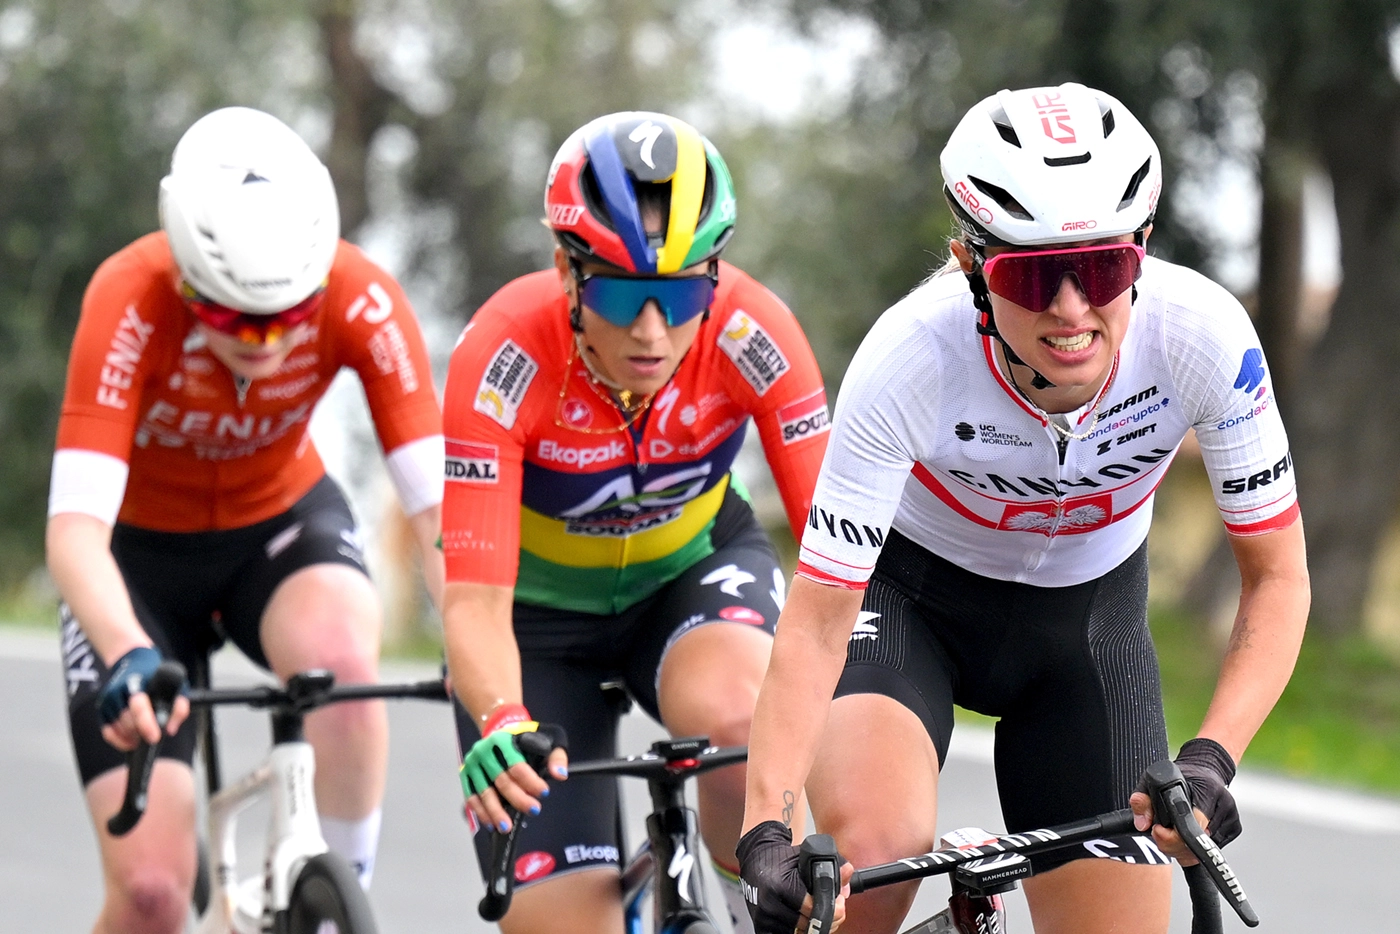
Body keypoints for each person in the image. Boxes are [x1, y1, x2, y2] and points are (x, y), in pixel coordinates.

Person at [736, 83, 1310, 934]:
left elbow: (1278, 578)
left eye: (1105, 268)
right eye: (1034, 275)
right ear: (972, 265)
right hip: (911, 608)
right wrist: (765, 833)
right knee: (871, 860)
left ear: (1143, 250)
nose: (1071, 308)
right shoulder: (909, 358)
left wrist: (1211, 757)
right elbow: (819, 622)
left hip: (1088, 627)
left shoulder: (1202, 337)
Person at [47, 106, 445, 934]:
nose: (264, 344)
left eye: (290, 316)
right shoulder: (129, 296)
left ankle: (338, 898)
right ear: (185, 278)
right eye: (232, 317)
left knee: (345, 669)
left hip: (278, 530)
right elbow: (75, 532)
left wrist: (483, 648)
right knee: (154, 894)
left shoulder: (361, 294)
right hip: (135, 566)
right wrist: (125, 651)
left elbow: (441, 512)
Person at [440, 110, 830, 934]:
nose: (652, 331)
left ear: (714, 277)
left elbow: (838, 554)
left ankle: (756, 911)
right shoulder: (505, 356)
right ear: (567, 272)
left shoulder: (755, 333)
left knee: (738, 719)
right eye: (620, 293)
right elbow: (472, 600)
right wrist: (501, 718)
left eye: (683, 292)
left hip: (690, 579)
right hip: (534, 626)